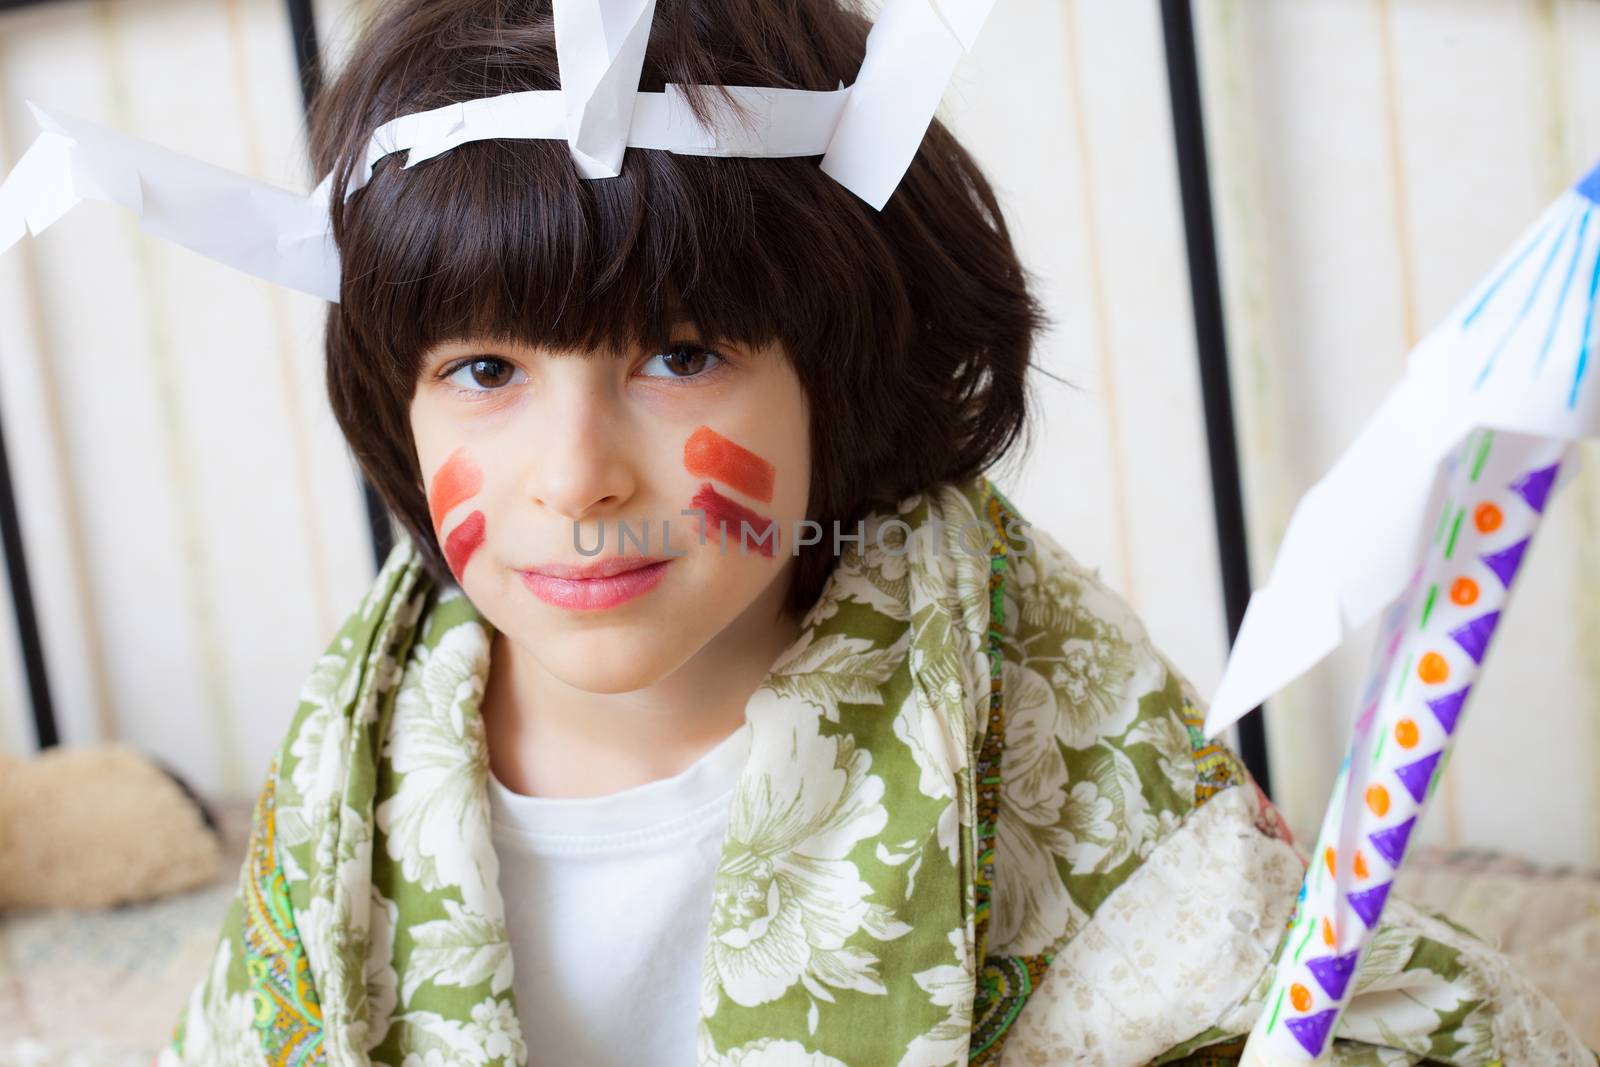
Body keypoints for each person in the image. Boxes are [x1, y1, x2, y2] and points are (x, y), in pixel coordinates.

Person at [157, 1, 1597, 1064]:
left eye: (678, 355)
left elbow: (1324, 991)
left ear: (833, 372)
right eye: (485, 372)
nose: (576, 476)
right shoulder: (361, 756)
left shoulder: (1021, 684)